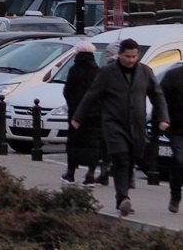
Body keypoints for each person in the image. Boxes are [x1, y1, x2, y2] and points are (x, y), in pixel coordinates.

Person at [73, 37, 170, 216]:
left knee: (131, 160)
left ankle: (123, 194)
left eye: (134, 56)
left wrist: (163, 117)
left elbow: (157, 95)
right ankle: (123, 198)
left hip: (136, 125)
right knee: (121, 159)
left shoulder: (145, 72)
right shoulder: (107, 72)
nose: (131, 60)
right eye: (127, 56)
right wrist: (78, 117)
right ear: (120, 55)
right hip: (113, 124)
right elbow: (91, 95)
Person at [61, 42, 102, 185]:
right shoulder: (98, 71)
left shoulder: (74, 70)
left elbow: (67, 90)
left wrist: (72, 105)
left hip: (75, 113)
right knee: (93, 144)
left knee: (74, 143)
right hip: (95, 114)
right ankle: (90, 174)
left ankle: (70, 172)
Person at [161, 60, 183, 212]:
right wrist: (163, 118)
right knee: (180, 161)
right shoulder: (173, 76)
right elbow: (160, 99)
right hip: (177, 128)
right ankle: (175, 195)